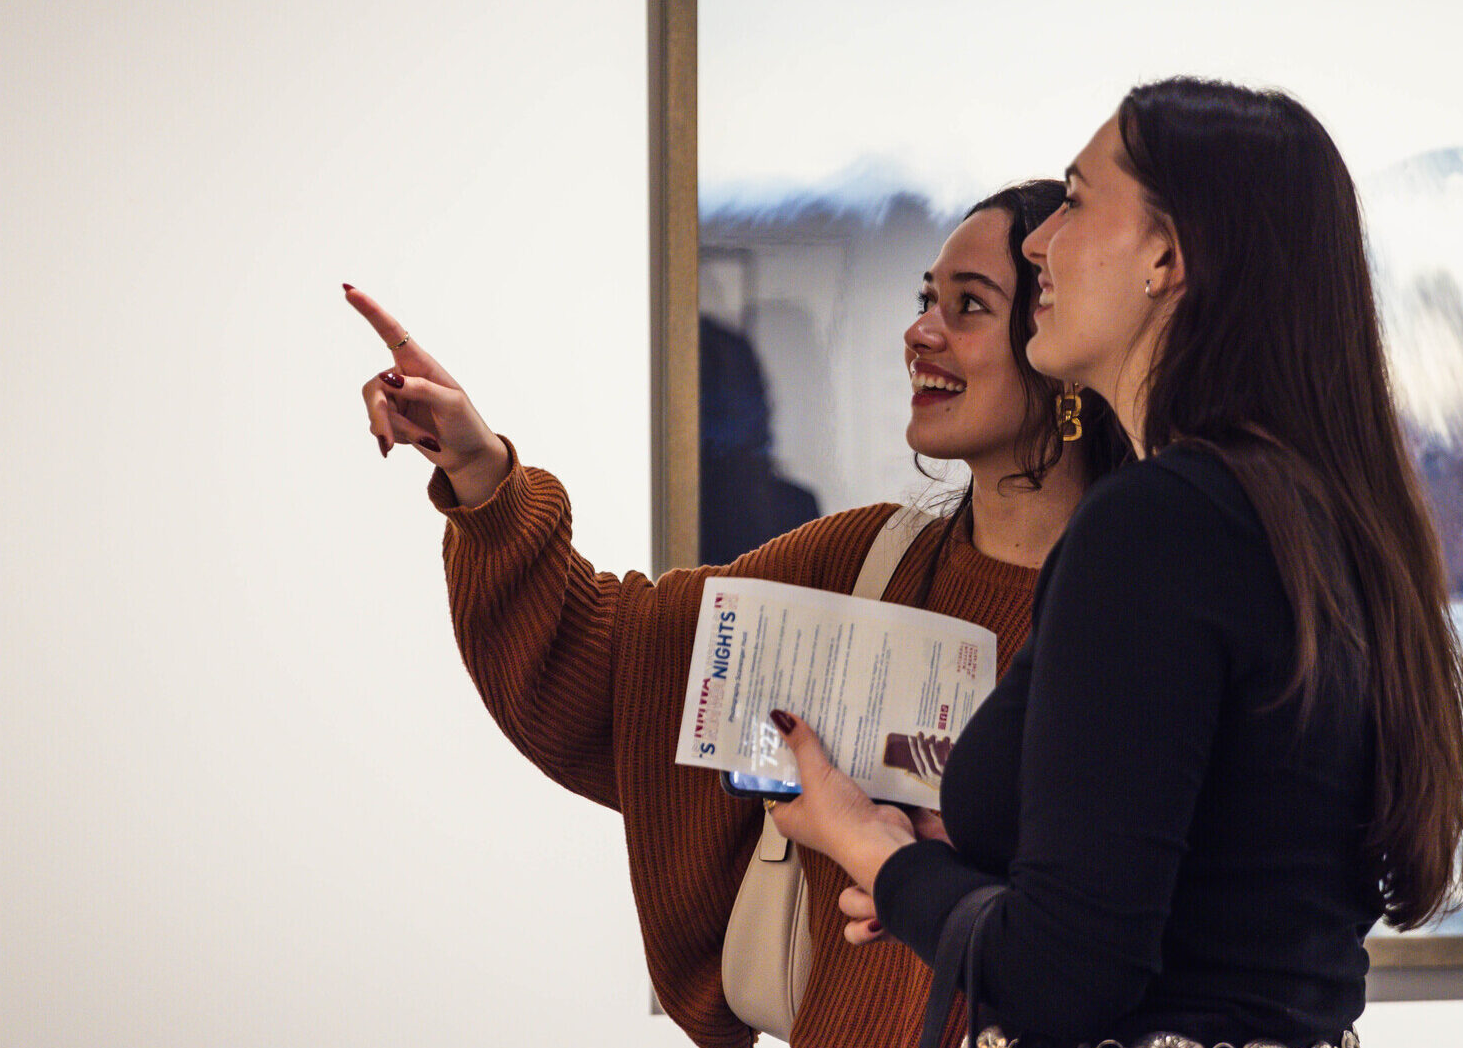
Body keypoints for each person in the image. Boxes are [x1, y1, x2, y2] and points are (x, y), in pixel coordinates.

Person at [769, 78, 1463, 1048]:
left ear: (1166, 256)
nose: (1037, 241)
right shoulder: (1321, 522)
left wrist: (867, 843)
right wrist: (947, 881)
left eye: (1073, 198)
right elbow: (1209, 897)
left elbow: (1063, 981)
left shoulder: (1156, 526)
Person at [348, 179, 1129, 1048]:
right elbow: (607, 672)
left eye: (969, 305)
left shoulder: (1153, 614)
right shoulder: (866, 564)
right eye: (924, 300)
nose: (920, 331)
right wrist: (480, 472)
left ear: (1060, 345)